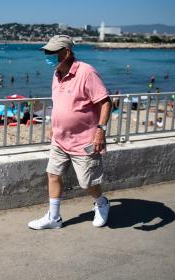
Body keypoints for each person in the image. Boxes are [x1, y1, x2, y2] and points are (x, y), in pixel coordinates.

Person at [28, 35, 112, 230]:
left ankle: (102, 203)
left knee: (87, 182)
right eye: (46, 52)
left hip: (84, 140)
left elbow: (106, 102)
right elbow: (60, 104)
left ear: (66, 53)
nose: (47, 55)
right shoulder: (56, 73)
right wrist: (54, 126)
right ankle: (54, 218)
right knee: (53, 174)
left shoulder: (87, 72)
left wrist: (101, 130)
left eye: (51, 53)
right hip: (59, 138)